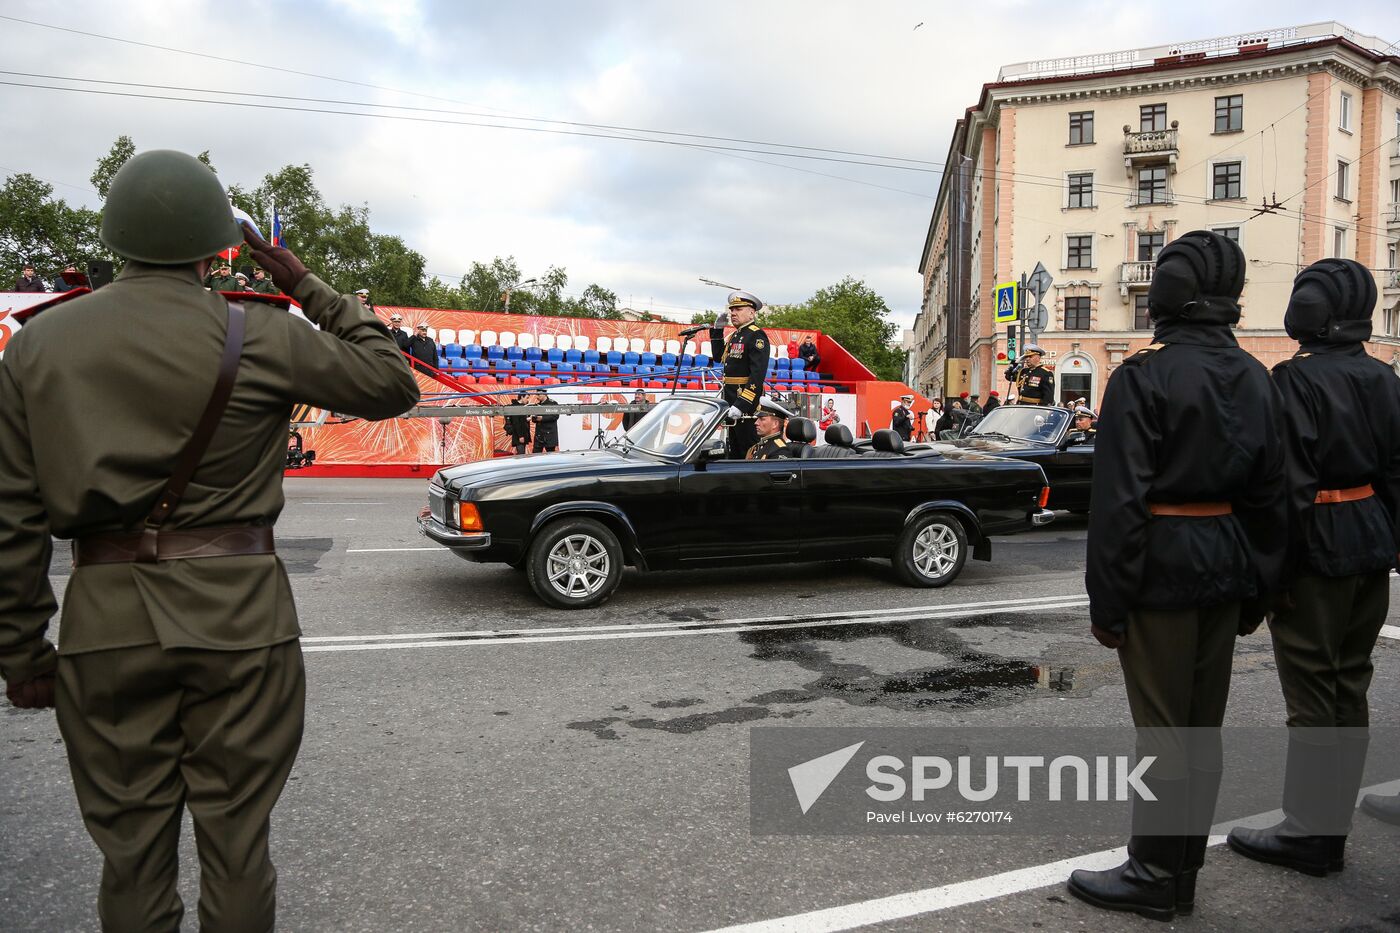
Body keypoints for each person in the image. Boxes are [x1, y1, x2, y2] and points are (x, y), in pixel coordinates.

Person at [0, 148, 419, 932]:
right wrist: (302, 283)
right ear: (216, 243)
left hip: (104, 628)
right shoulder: (257, 332)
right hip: (240, 624)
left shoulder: (35, 347)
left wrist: (23, 653)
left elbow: (11, 518)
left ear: (115, 233)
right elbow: (392, 381)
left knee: (130, 855)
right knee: (235, 843)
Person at [1069, 230, 1287, 922]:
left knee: (1163, 732)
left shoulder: (1143, 373)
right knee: (1201, 729)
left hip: (1161, 566)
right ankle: (1181, 868)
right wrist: (1259, 587)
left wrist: (1107, 602)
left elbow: (1119, 502)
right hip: (1224, 565)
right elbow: (1270, 496)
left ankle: (1155, 874)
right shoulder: (1256, 373)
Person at [1225, 259, 1400, 870]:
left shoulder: (1292, 381)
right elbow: (1395, 474)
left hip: (1314, 545)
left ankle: (1310, 832)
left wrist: (1269, 573)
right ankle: (1330, 824)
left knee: (1312, 693)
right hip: (1368, 539)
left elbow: (1285, 489)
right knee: (1350, 685)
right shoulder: (1384, 378)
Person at [709, 290, 770, 459]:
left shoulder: (756, 335)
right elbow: (718, 357)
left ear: (751, 312)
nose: (733, 313)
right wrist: (717, 331)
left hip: (745, 404)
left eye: (738, 309)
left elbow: (757, 375)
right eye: (732, 309)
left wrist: (742, 404)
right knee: (734, 449)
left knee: (748, 449)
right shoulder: (736, 335)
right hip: (730, 399)